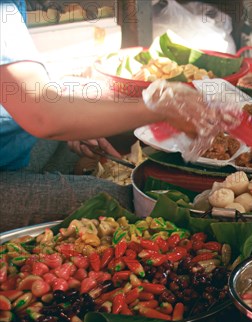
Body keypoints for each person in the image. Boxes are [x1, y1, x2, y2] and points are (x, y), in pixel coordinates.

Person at [0, 0, 212, 232]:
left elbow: (30, 98)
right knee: (119, 200)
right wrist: (158, 109)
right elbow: (42, 115)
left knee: (84, 104)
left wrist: (73, 118)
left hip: (11, 144)